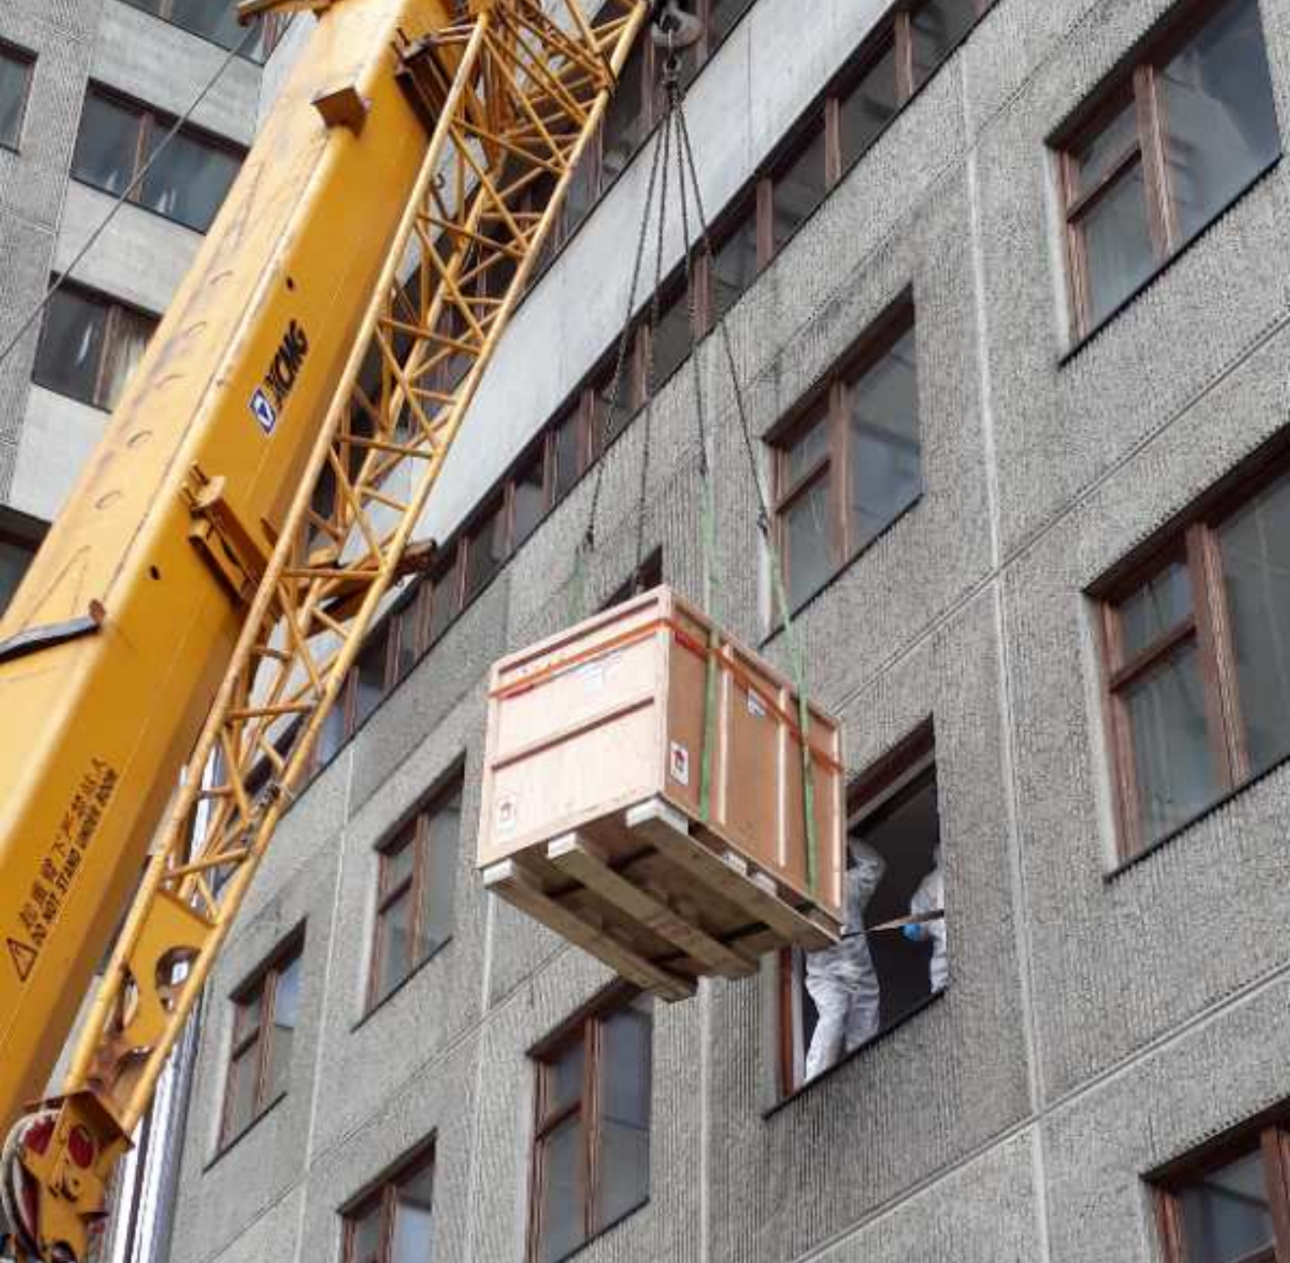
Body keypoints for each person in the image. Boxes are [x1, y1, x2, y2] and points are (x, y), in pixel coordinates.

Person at [803, 838, 886, 1080]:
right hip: (827, 974)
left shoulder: (848, 885)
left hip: (857, 968)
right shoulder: (803, 893)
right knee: (835, 1013)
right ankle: (815, 1080)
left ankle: (864, 1076)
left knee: (864, 1016)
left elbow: (875, 866)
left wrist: (847, 836)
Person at [902, 845, 947, 992]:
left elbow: (919, 914)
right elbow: (919, 914)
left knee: (941, 982)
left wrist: (916, 927)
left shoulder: (932, 880)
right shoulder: (933, 880)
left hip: (945, 945)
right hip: (945, 942)